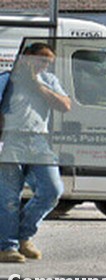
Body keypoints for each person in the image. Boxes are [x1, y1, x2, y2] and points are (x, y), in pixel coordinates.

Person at [0, 43, 71, 263]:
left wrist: (38, 86)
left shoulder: (49, 81)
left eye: (48, 63)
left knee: (52, 190)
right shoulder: (6, 79)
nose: (44, 65)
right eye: (41, 60)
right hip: (11, 139)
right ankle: (7, 246)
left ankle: (24, 235)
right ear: (26, 57)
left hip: (38, 139)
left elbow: (65, 105)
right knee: (10, 197)